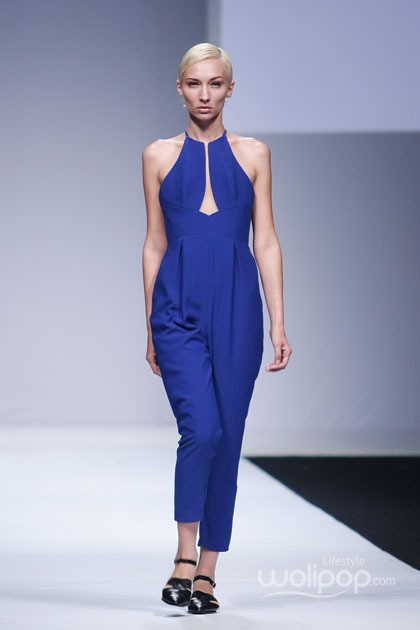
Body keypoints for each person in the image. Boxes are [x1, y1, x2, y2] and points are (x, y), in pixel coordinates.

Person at [141, 42, 292, 614]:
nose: (204, 94)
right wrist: (150, 326)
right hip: (176, 307)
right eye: (194, 84)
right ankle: (184, 556)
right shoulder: (156, 155)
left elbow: (266, 240)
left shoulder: (255, 154)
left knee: (227, 438)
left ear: (230, 88)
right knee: (200, 429)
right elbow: (154, 242)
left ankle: (207, 571)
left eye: (214, 83)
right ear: (179, 89)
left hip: (238, 308)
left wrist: (279, 322)